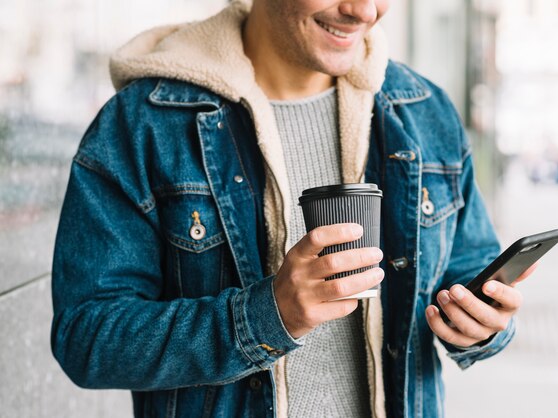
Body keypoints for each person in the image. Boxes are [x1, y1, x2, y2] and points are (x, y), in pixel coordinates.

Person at [51, 0, 530, 417]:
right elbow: (86, 337)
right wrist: (266, 315)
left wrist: (480, 324)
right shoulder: (144, 125)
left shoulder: (424, 111)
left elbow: (467, 270)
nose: (364, 10)